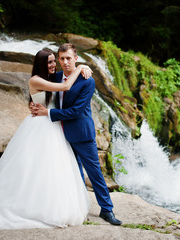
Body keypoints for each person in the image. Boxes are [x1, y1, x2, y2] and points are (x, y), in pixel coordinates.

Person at [0, 49, 93, 229]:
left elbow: (56, 94)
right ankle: (27, 203)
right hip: (39, 126)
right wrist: (81, 66)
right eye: (49, 62)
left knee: (55, 166)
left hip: (53, 125)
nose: (53, 65)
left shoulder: (52, 77)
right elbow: (66, 87)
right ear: (40, 64)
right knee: (33, 164)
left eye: (54, 61)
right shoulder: (35, 80)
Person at [31, 43, 122, 225]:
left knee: (94, 173)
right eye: (62, 58)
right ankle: (79, 206)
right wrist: (33, 104)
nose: (65, 62)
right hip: (59, 134)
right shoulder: (56, 77)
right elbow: (37, 88)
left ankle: (107, 209)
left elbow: (75, 112)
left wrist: (47, 113)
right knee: (73, 172)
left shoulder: (87, 80)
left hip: (81, 133)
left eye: (69, 58)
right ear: (58, 59)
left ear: (76, 58)